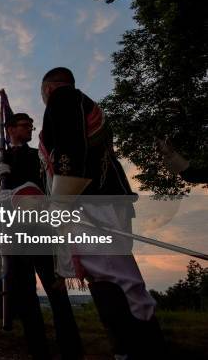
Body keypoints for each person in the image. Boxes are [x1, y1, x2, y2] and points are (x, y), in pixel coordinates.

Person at [38, 67, 166, 358]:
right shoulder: (80, 101)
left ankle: (142, 350)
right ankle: (127, 348)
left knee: (118, 279)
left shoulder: (64, 98)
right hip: (98, 203)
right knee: (105, 279)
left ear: (47, 89)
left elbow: (71, 148)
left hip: (90, 204)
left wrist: (62, 199)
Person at [0, 113, 83, 359]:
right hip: (12, 232)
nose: (30, 130)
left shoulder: (39, 156)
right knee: (25, 294)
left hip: (41, 229)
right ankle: (38, 350)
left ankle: (71, 350)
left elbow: (50, 186)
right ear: (10, 128)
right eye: (25, 126)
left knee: (56, 290)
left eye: (31, 126)